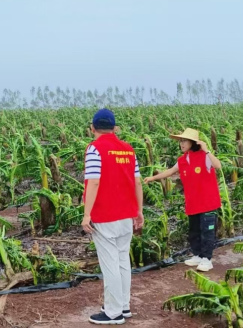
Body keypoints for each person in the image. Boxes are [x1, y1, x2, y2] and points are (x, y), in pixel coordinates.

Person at [81, 108, 144, 325]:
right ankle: (123, 306)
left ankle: (113, 313)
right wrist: (139, 211)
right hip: (126, 215)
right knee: (122, 260)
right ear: (114, 128)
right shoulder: (128, 149)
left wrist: (87, 214)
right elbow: (137, 181)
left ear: (93, 128)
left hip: (105, 216)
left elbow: (93, 181)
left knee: (110, 265)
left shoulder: (94, 149)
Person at [144, 128, 222, 272]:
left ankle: (207, 259)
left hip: (208, 203)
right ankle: (198, 255)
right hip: (193, 203)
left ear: (193, 142)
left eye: (184, 141)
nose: (181, 143)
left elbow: (218, 165)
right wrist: (153, 178)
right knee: (194, 231)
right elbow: (170, 171)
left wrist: (207, 150)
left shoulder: (204, 156)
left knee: (207, 232)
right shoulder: (183, 160)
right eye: (180, 141)